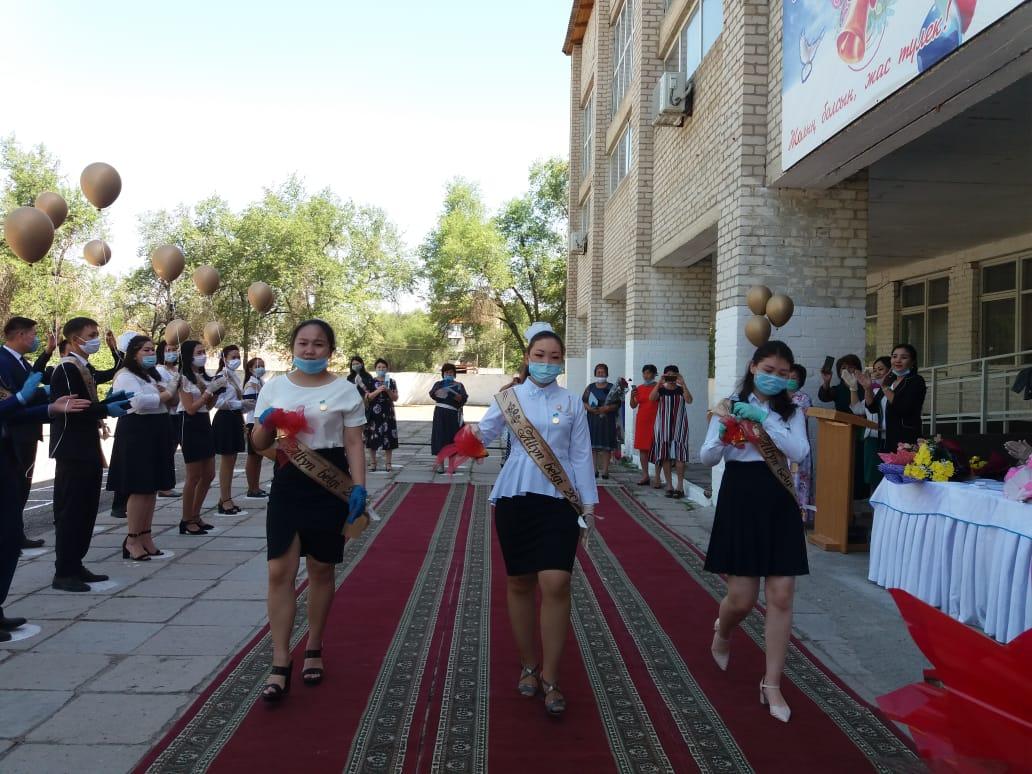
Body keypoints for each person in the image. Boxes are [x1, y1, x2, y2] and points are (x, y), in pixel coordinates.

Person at [473, 323, 597, 716]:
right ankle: (529, 664)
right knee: (520, 581)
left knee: (557, 581)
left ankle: (551, 676)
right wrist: (464, 442)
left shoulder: (572, 402)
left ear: (562, 362)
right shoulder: (509, 398)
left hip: (560, 500)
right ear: (527, 358)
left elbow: (581, 456)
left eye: (554, 357)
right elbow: (483, 434)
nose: (546, 362)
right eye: (539, 356)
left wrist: (588, 505)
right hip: (516, 497)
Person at [251, 319, 367, 701]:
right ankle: (280, 659)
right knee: (278, 571)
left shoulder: (345, 390)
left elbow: (354, 442)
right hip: (289, 482)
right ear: (293, 347)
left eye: (318, 344)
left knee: (320, 568)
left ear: (330, 350)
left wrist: (359, 486)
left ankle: (314, 645)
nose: (310, 350)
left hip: (330, 483)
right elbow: (258, 443)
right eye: (303, 343)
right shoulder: (274, 387)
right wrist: (266, 423)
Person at [701, 341, 810, 723]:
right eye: (768, 370)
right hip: (742, 497)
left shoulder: (792, 411)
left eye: (782, 373)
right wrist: (724, 431)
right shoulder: (729, 405)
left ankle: (772, 683)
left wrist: (764, 422)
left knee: (781, 595)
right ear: (752, 367)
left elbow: (799, 452)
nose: (774, 378)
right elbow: (707, 456)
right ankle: (723, 630)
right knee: (742, 599)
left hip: (778, 498)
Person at [0, 378, 91, 638]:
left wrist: (51, 409)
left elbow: (12, 415)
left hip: (5, 465)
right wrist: (20, 398)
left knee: (9, 541)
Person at [48, 317, 132, 592]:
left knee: (86, 510)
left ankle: (75, 564)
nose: (95, 339)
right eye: (91, 335)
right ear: (75, 340)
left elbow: (90, 400)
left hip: (87, 445)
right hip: (72, 448)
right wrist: (106, 409)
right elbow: (75, 408)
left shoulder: (83, 367)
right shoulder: (66, 369)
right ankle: (64, 571)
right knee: (72, 510)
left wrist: (107, 402)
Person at [106, 336, 178, 560]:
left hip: (157, 428)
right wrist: (165, 393)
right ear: (134, 353)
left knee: (152, 487)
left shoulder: (152, 374)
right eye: (145, 350)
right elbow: (139, 403)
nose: (150, 354)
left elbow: (172, 402)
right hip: (137, 432)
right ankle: (132, 539)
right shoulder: (125, 376)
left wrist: (168, 393)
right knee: (139, 488)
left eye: (152, 350)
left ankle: (146, 535)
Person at [0, 316, 59, 549]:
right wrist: (46, 396)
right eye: (33, 334)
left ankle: (16, 533)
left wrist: (47, 354)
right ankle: (10, 535)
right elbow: (15, 398)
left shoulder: (20, 361)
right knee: (13, 487)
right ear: (20, 334)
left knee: (22, 487)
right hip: (14, 434)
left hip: (27, 431)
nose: (36, 339)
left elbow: (33, 377)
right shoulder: (3, 361)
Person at [177, 340, 223, 535]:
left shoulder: (203, 377)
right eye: (199, 352)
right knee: (194, 475)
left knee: (209, 474)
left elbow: (207, 407)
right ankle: (186, 519)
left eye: (204, 352)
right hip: (189, 424)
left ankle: (196, 515)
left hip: (204, 422)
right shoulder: (183, 378)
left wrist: (216, 393)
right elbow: (190, 408)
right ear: (188, 355)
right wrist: (207, 393)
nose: (203, 355)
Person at [818, 354, 868, 499]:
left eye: (851, 367)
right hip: (841, 434)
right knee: (842, 466)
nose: (847, 370)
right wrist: (826, 382)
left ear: (858, 369)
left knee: (858, 466)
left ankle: (860, 498)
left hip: (861, 433)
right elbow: (824, 396)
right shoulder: (837, 389)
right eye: (843, 368)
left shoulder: (864, 387)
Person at [867, 344, 926, 451]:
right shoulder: (889, 381)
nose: (898, 360)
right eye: (894, 356)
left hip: (906, 440)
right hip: (887, 440)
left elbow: (904, 408)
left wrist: (885, 387)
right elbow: (873, 408)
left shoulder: (916, 380)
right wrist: (867, 388)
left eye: (904, 357)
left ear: (912, 362)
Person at [212, 344, 248, 515]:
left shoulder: (234, 376)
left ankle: (225, 498)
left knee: (232, 461)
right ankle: (225, 499)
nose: (237, 360)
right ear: (224, 359)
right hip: (225, 419)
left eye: (238, 356)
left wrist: (244, 407)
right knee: (227, 462)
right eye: (233, 357)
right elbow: (217, 402)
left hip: (234, 418)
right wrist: (239, 404)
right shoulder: (221, 376)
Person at [650, 365, 693, 498]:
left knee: (681, 454)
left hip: (680, 424)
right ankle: (669, 485)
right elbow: (651, 398)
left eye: (673, 375)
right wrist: (659, 382)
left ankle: (679, 486)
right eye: (668, 374)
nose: (671, 377)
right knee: (665, 455)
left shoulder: (681, 389)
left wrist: (683, 383)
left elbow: (689, 400)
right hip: (663, 425)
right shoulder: (661, 389)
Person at [855, 356, 892, 490]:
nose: (877, 373)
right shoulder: (874, 391)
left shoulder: (894, 389)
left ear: (890, 370)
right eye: (874, 370)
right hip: (873, 438)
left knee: (890, 479)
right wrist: (863, 388)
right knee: (874, 479)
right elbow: (861, 409)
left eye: (880, 369)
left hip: (891, 439)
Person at [155, 339, 182, 499]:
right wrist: (173, 393)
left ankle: (166, 485)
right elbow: (169, 397)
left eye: (174, 349)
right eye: (168, 350)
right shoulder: (160, 370)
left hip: (179, 414)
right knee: (167, 452)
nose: (172, 353)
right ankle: (164, 486)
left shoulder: (177, 370)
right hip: (168, 415)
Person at [429, 363, 468, 472]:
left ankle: (451, 465)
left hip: (453, 415)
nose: (448, 374)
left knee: (452, 439)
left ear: (454, 374)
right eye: (446, 372)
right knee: (440, 437)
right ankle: (440, 465)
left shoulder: (459, 385)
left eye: (451, 372)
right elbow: (432, 394)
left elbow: (464, 398)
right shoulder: (438, 384)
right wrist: (438, 392)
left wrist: (459, 398)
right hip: (440, 414)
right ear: (443, 374)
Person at [583, 363, 618, 478]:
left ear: (607, 373)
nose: (600, 374)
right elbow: (584, 401)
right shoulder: (590, 387)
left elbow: (617, 404)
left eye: (603, 372)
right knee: (592, 446)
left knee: (606, 446)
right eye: (598, 372)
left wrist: (606, 408)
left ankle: (605, 470)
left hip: (607, 420)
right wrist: (590, 409)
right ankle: (594, 470)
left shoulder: (613, 387)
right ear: (595, 373)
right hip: (593, 419)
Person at [787, 364, 814, 517]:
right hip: (781, 447)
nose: (790, 380)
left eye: (794, 378)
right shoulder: (776, 397)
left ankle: (799, 516)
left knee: (800, 481)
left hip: (799, 445)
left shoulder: (803, 398)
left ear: (801, 381)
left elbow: (802, 418)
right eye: (787, 376)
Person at [364, 358, 399, 472]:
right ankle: (373, 463)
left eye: (383, 367)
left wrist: (388, 390)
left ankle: (388, 463)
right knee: (372, 437)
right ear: (375, 369)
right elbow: (367, 398)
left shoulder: (391, 381)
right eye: (379, 367)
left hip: (388, 412)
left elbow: (395, 398)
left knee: (389, 436)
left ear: (387, 369)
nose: (381, 369)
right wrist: (378, 390)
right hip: (374, 413)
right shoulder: (370, 382)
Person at [629, 364, 661, 487]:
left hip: (656, 420)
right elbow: (633, 405)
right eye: (644, 373)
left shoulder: (659, 387)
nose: (645, 375)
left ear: (654, 374)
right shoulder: (639, 388)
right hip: (642, 421)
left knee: (657, 448)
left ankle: (657, 477)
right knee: (642, 448)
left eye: (648, 373)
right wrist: (632, 396)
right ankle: (645, 475)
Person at [242, 357, 268, 498]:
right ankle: (252, 488)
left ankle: (256, 486)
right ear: (250, 369)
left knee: (258, 457)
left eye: (262, 365)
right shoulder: (251, 384)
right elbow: (249, 404)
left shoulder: (260, 382)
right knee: (253, 457)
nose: (261, 368)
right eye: (257, 366)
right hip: (253, 422)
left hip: (261, 421)